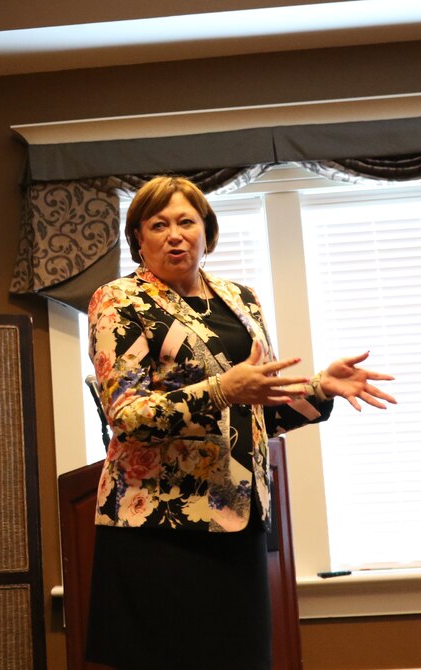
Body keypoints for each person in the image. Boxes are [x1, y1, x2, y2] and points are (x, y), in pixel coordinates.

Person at [84, 176, 395, 669]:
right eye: (158, 225)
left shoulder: (241, 299)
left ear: (207, 232)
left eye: (187, 221)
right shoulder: (118, 301)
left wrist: (318, 388)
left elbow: (252, 416)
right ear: (138, 239)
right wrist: (223, 389)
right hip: (159, 527)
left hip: (238, 518)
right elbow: (127, 418)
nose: (175, 234)